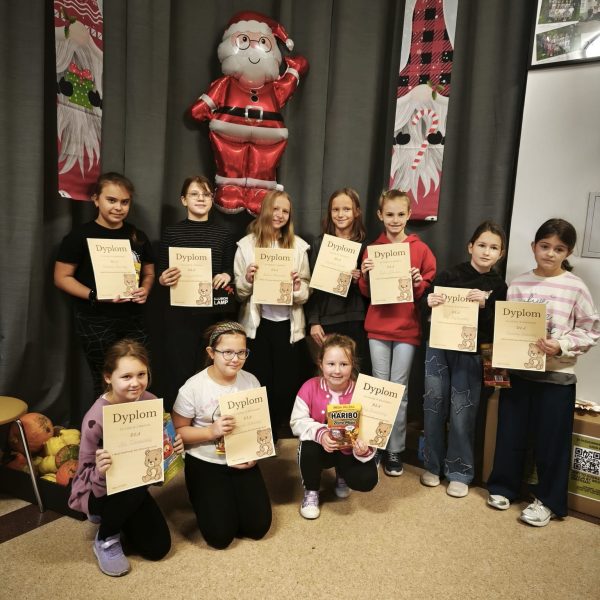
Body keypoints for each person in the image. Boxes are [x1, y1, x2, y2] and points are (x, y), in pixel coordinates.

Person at [487, 219, 599, 526]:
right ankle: (503, 487)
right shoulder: (519, 284)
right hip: (520, 374)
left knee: (552, 442)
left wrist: (561, 345)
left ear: (568, 253)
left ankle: (548, 501)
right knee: (510, 434)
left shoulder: (576, 287)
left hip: (557, 378)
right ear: (533, 247)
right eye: (545, 246)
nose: (550, 253)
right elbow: (508, 328)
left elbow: (591, 329)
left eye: (559, 249)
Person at [68, 339, 183, 577]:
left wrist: (173, 448)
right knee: (131, 483)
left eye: (141, 374)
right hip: (98, 489)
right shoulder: (95, 418)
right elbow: (84, 474)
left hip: (136, 483)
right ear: (108, 377)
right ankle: (106, 537)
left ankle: (117, 518)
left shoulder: (150, 402)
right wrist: (100, 471)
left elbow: (158, 459)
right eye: (126, 376)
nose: (136, 383)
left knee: (158, 548)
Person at [420, 221, 507, 497]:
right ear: (470, 247)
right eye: (481, 245)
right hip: (439, 348)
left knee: (463, 412)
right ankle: (432, 465)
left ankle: (459, 471)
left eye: (493, 247)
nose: (486, 251)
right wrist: (428, 302)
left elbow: (499, 328)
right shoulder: (449, 274)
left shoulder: (499, 286)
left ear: (501, 254)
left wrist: (486, 305)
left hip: (472, 355)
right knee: (433, 405)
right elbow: (425, 305)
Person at [54, 172, 154, 398]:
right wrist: (94, 294)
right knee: (105, 378)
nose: (119, 207)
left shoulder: (137, 236)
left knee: (139, 376)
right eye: (111, 200)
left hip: (133, 318)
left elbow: (149, 271)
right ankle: (104, 421)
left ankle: (137, 420)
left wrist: (146, 289)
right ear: (96, 199)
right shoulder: (79, 236)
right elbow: (61, 277)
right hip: (94, 319)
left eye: (125, 202)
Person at [172, 321, 272, 549]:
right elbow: (177, 432)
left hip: (242, 458)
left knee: (258, 528)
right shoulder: (193, 388)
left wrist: (254, 454)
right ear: (211, 352)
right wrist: (211, 431)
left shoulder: (251, 381)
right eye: (227, 352)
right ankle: (204, 497)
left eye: (241, 352)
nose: (235, 359)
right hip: (206, 461)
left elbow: (258, 426)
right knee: (220, 537)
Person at [359, 189, 436, 476]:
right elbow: (366, 292)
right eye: (389, 214)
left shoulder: (420, 249)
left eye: (400, 214)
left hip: (406, 328)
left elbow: (428, 289)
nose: (395, 219)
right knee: (380, 390)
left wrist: (418, 282)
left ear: (409, 215)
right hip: (378, 327)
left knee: (399, 391)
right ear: (380, 215)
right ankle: (376, 445)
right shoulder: (372, 249)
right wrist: (365, 275)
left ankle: (395, 450)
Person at [234, 190, 311, 438]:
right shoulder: (246, 246)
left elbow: (306, 292)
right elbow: (239, 293)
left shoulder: (298, 246)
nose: (279, 215)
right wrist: (247, 279)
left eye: (285, 211)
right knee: (260, 382)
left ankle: (279, 430)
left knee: (285, 384)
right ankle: (261, 435)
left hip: (288, 325)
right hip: (258, 325)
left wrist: (297, 287)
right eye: (275, 209)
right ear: (265, 209)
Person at [158, 175, 236, 409]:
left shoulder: (224, 234)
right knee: (180, 369)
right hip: (180, 314)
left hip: (212, 314)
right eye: (194, 194)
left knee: (210, 368)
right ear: (184, 200)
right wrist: (163, 278)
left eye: (206, 194)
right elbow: (162, 271)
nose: (201, 199)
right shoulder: (171, 232)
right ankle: (180, 419)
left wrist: (227, 275)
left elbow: (229, 268)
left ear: (212, 199)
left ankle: (208, 416)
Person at [290, 334, 378, 519]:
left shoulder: (362, 392)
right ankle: (311, 491)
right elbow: (296, 422)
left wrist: (364, 448)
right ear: (321, 364)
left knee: (367, 479)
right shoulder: (309, 387)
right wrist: (321, 434)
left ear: (352, 364)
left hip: (348, 451)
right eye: (331, 364)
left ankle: (342, 475)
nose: (337, 370)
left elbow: (370, 431)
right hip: (321, 449)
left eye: (344, 364)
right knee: (308, 447)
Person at [306, 188, 370, 373]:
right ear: (330, 212)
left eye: (346, 209)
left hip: (356, 318)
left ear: (356, 212)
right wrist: (314, 321)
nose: (340, 214)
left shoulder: (365, 246)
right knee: (329, 373)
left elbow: (370, 291)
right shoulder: (320, 243)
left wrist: (360, 279)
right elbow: (312, 286)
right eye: (335, 210)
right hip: (327, 319)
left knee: (354, 372)